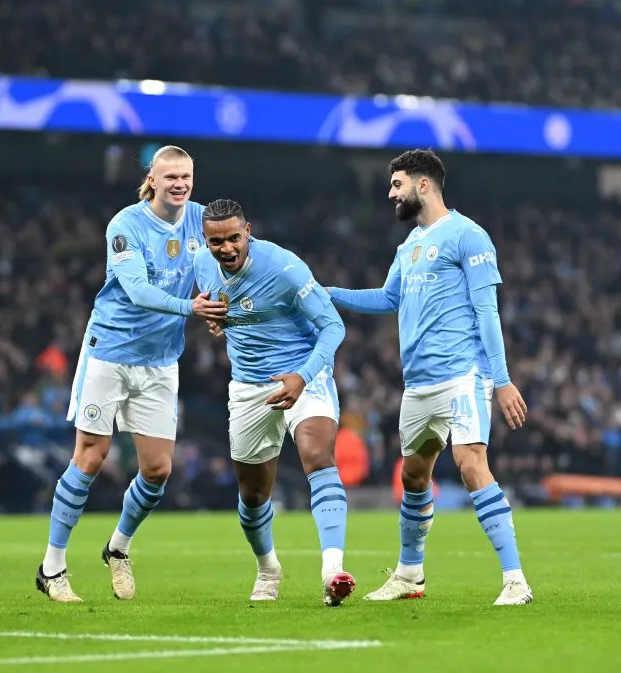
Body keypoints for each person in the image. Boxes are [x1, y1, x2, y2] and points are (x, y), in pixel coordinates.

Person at [328, 149, 532, 606]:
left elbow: (487, 311)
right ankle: (409, 575)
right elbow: (387, 299)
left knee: (471, 464)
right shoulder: (408, 246)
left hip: (463, 375)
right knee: (415, 475)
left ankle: (515, 580)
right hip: (418, 384)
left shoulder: (468, 235)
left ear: (423, 185)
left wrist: (500, 380)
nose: (390, 193)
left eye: (397, 184)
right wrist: (326, 294)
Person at [35, 145, 228, 602]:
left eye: (186, 176)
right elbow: (138, 290)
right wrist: (192, 307)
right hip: (111, 352)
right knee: (91, 456)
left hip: (161, 359)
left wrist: (218, 304)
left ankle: (117, 548)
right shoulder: (125, 225)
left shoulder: (202, 219)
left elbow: (214, 267)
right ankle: (52, 566)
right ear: (153, 180)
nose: (179, 184)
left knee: (158, 469)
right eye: (171, 177)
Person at [194, 199, 354, 606]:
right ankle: (268, 568)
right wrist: (215, 317)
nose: (226, 248)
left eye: (234, 238)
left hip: (304, 372)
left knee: (317, 455)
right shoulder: (201, 263)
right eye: (217, 242)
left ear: (248, 231)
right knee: (252, 495)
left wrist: (303, 375)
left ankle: (332, 570)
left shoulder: (285, 268)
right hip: (249, 385)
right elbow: (215, 304)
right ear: (204, 241)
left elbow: (333, 326)